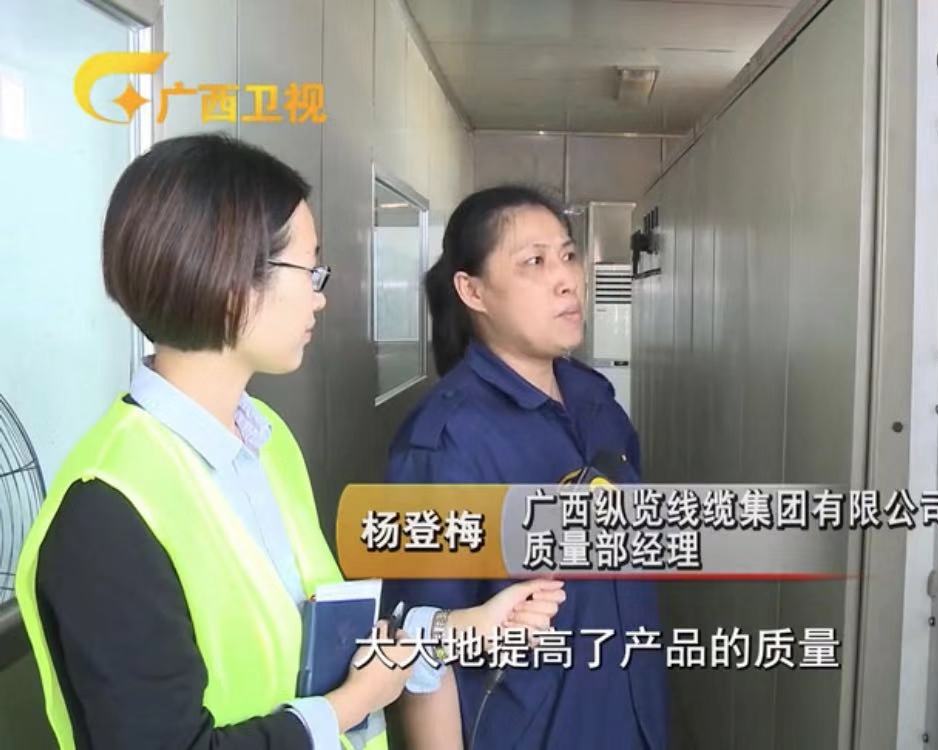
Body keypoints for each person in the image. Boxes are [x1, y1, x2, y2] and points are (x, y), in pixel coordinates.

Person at [14, 135, 563, 750]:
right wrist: (350, 705)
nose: (320, 296)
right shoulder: (107, 509)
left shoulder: (265, 442)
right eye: (310, 269)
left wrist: (457, 630)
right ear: (229, 276)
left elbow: (316, 643)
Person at [386, 186, 668, 749]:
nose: (567, 280)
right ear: (473, 291)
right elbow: (421, 653)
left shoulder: (597, 403)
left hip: (632, 719)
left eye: (568, 256)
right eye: (534, 262)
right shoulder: (444, 444)